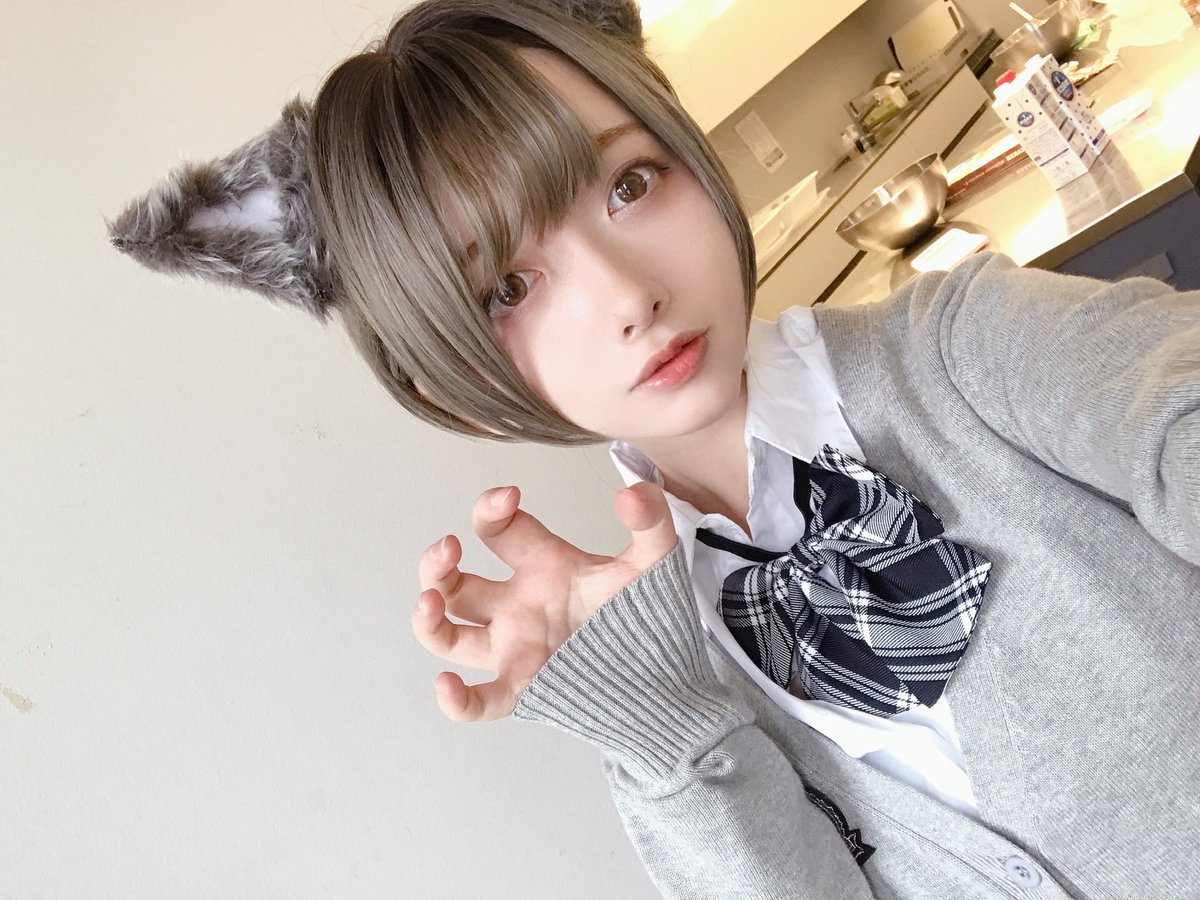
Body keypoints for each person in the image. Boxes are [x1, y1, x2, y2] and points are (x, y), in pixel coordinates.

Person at [106, 1, 1200, 896]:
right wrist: (660, 717)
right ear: (456, 394)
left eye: (629, 184)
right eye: (508, 288)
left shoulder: (978, 351)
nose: (628, 293)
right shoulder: (663, 651)